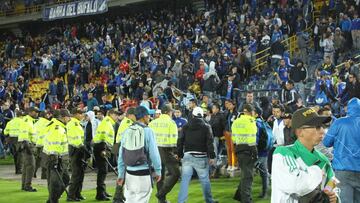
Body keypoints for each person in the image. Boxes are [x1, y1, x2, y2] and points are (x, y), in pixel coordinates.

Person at [271, 107, 337, 203]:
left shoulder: (324, 160)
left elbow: (332, 183)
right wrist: (318, 171)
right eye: (317, 127)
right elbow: (295, 184)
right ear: (300, 131)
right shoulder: (282, 153)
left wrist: (334, 197)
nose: (322, 131)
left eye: (322, 126)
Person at [117, 105, 162, 203]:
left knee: (129, 200)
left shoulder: (127, 131)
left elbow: (121, 155)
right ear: (144, 116)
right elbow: (154, 154)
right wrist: (158, 170)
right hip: (143, 173)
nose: (149, 117)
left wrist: (121, 174)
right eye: (148, 115)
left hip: (129, 174)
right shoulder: (148, 131)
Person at [177, 107, 217, 203]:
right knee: (205, 180)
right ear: (202, 115)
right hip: (201, 157)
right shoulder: (206, 126)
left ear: (193, 115)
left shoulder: (185, 126)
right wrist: (212, 156)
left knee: (185, 181)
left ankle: (181, 202)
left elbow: (180, 141)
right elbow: (210, 142)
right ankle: (209, 201)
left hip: (187, 156)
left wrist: (180, 154)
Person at [323, 98, 360, 203]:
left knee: (343, 200)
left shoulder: (339, 122)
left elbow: (326, 142)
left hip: (342, 170)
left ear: (348, 109)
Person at [149, 104, 180, 203]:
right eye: (172, 112)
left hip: (154, 150)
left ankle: (161, 200)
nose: (172, 114)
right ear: (168, 112)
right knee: (176, 173)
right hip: (166, 150)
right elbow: (174, 139)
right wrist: (176, 153)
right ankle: (161, 194)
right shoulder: (171, 123)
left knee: (160, 175)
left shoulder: (153, 123)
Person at [43, 109, 72, 203]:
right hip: (56, 159)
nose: (69, 119)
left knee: (65, 180)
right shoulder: (57, 128)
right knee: (56, 183)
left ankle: (51, 199)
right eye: (68, 117)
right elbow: (54, 145)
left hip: (57, 158)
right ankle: (53, 200)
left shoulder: (57, 126)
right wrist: (54, 160)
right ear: (63, 117)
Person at [232, 104, 258, 202]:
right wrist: (255, 153)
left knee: (245, 174)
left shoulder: (236, 121)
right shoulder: (250, 121)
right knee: (248, 177)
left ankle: (239, 195)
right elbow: (252, 139)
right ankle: (246, 200)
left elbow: (234, 139)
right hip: (248, 150)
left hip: (239, 150)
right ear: (250, 112)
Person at [93, 109, 120, 200]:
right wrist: (104, 149)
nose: (117, 116)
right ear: (111, 114)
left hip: (102, 147)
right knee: (102, 171)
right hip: (102, 147)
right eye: (116, 115)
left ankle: (102, 191)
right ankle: (100, 194)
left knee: (103, 171)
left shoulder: (107, 122)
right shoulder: (107, 122)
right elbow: (104, 137)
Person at [113, 107, 136, 203]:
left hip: (121, 148)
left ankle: (119, 195)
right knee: (123, 173)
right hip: (125, 149)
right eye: (135, 115)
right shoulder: (128, 123)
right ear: (130, 115)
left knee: (123, 173)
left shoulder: (125, 122)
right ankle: (117, 197)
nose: (136, 117)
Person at [66, 108, 86, 201]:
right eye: (80, 113)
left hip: (78, 150)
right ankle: (71, 195)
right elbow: (76, 139)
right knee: (76, 174)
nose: (82, 115)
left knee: (80, 174)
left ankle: (77, 193)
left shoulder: (76, 123)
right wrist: (82, 147)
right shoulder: (73, 123)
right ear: (75, 114)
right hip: (76, 150)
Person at [18, 107, 39, 192]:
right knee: (31, 166)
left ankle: (24, 185)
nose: (37, 113)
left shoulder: (28, 120)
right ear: (30, 112)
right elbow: (24, 135)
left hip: (27, 144)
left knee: (27, 166)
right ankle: (27, 186)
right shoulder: (27, 121)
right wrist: (27, 147)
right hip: (27, 145)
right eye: (35, 112)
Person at [4, 109, 24, 174]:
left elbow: (5, 132)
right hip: (19, 139)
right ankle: (19, 170)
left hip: (12, 139)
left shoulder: (11, 122)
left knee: (15, 155)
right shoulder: (22, 122)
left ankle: (16, 169)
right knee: (20, 155)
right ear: (21, 116)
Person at [33, 110, 52, 179]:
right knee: (45, 159)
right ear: (45, 115)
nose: (48, 116)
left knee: (37, 159)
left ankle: (33, 173)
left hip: (37, 143)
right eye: (47, 114)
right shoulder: (48, 123)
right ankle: (44, 175)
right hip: (44, 144)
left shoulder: (36, 123)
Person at [209, 103, 225, 178]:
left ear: (218, 109)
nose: (212, 109)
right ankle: (215, 171)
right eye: (212, 108)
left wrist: (223, 136)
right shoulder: (212, 116)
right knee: (215, 154)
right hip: (213, 137)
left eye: (214, 108)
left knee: (216, 154)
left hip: (218, 137)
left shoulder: (221, 116)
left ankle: (215, 171)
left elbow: (224, 126)